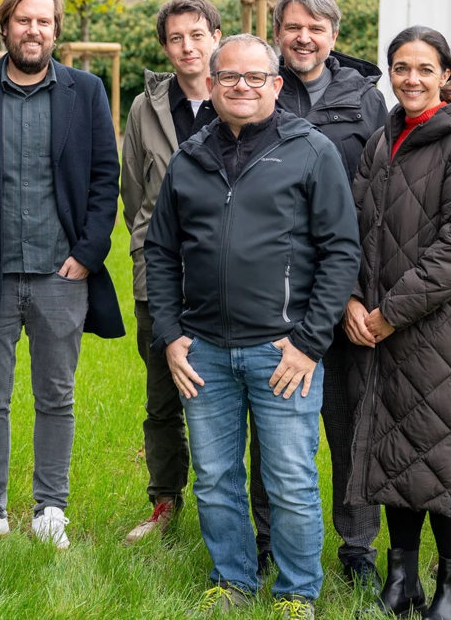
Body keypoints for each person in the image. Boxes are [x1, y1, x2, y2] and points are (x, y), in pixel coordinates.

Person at [145, 34, 361, 620]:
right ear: (211, 86)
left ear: (276, 84)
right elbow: (160, 253)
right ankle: (232, 580)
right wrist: (170, 334)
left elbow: (341, 252)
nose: (241, 87)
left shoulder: (311, 151)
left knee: (290, 480)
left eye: (254, 78)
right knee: (216, 479)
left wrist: (309, 343)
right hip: (203, 352)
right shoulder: (189, 159)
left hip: (282, 350)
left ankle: (296, 594)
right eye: (229, 78)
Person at [0, 0, 125, 550]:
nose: (34, 31)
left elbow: (105, 178)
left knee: (57, 395)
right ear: (5, 28)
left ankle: (52, 508)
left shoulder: (86, 90)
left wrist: (86, 255)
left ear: (56, 30)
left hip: (59, 272)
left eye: (44, 22)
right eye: (23, 21)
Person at [344, 26, 451, 620]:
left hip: (445, 327)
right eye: (401, 68)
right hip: (381, 325)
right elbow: (352, 230)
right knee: (395, 449)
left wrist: (386, 313)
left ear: (444, 73)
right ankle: (402, 578)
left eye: (424, 68)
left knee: (447, 453)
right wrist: (354, 302)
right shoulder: (384, 139)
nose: (411, 79)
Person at [250, 0, 389, 587]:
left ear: (334, 36)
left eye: (316, 28)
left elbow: (382, 202)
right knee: (275, 421)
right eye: (292, 27)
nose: (303, 37)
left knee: (353, 423)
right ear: (277, 33)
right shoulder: (258, 91)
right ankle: (266, 538)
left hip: (349, 289)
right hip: (273, 295)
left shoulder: (365, 100)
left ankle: (357, 546)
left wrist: (362, 292)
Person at [118, 0, 221, 544]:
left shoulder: (241, 93)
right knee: (162, 398)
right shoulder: (145, 108)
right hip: (160, 280)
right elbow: (134, 193)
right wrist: (148, 256)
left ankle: (222, 504)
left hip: (226, 279)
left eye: (197, 35)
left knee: (221, 394)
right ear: (164, 46)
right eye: (176, 38)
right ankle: (165, 503)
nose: (187, 47)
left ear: (215, 37)